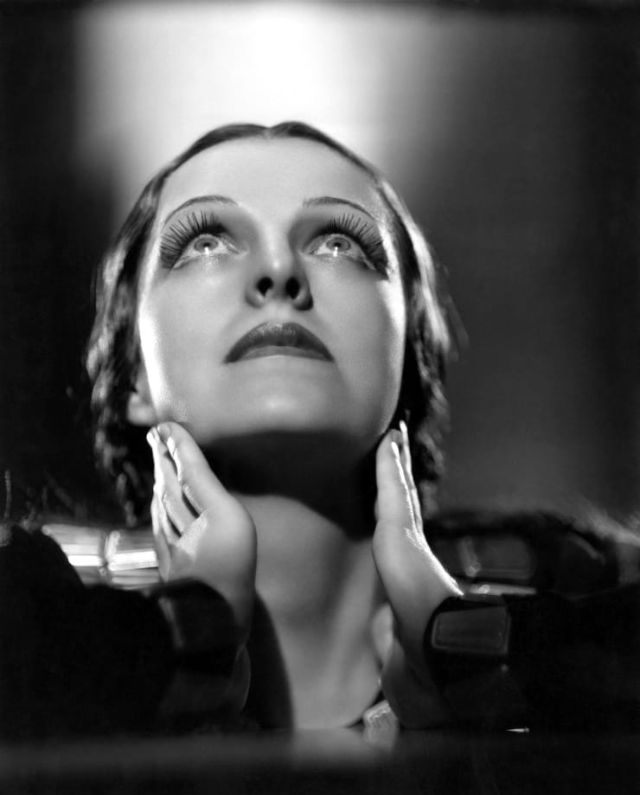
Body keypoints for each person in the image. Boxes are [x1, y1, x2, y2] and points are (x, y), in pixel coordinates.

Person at [1, 122, 639, 739]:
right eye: (205, 242)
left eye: (339, 244)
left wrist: (480, 647)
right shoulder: (36, 612)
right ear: (134, 374)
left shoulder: (585, 577)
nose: (279, 270)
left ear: (408, 353)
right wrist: (188, 633)